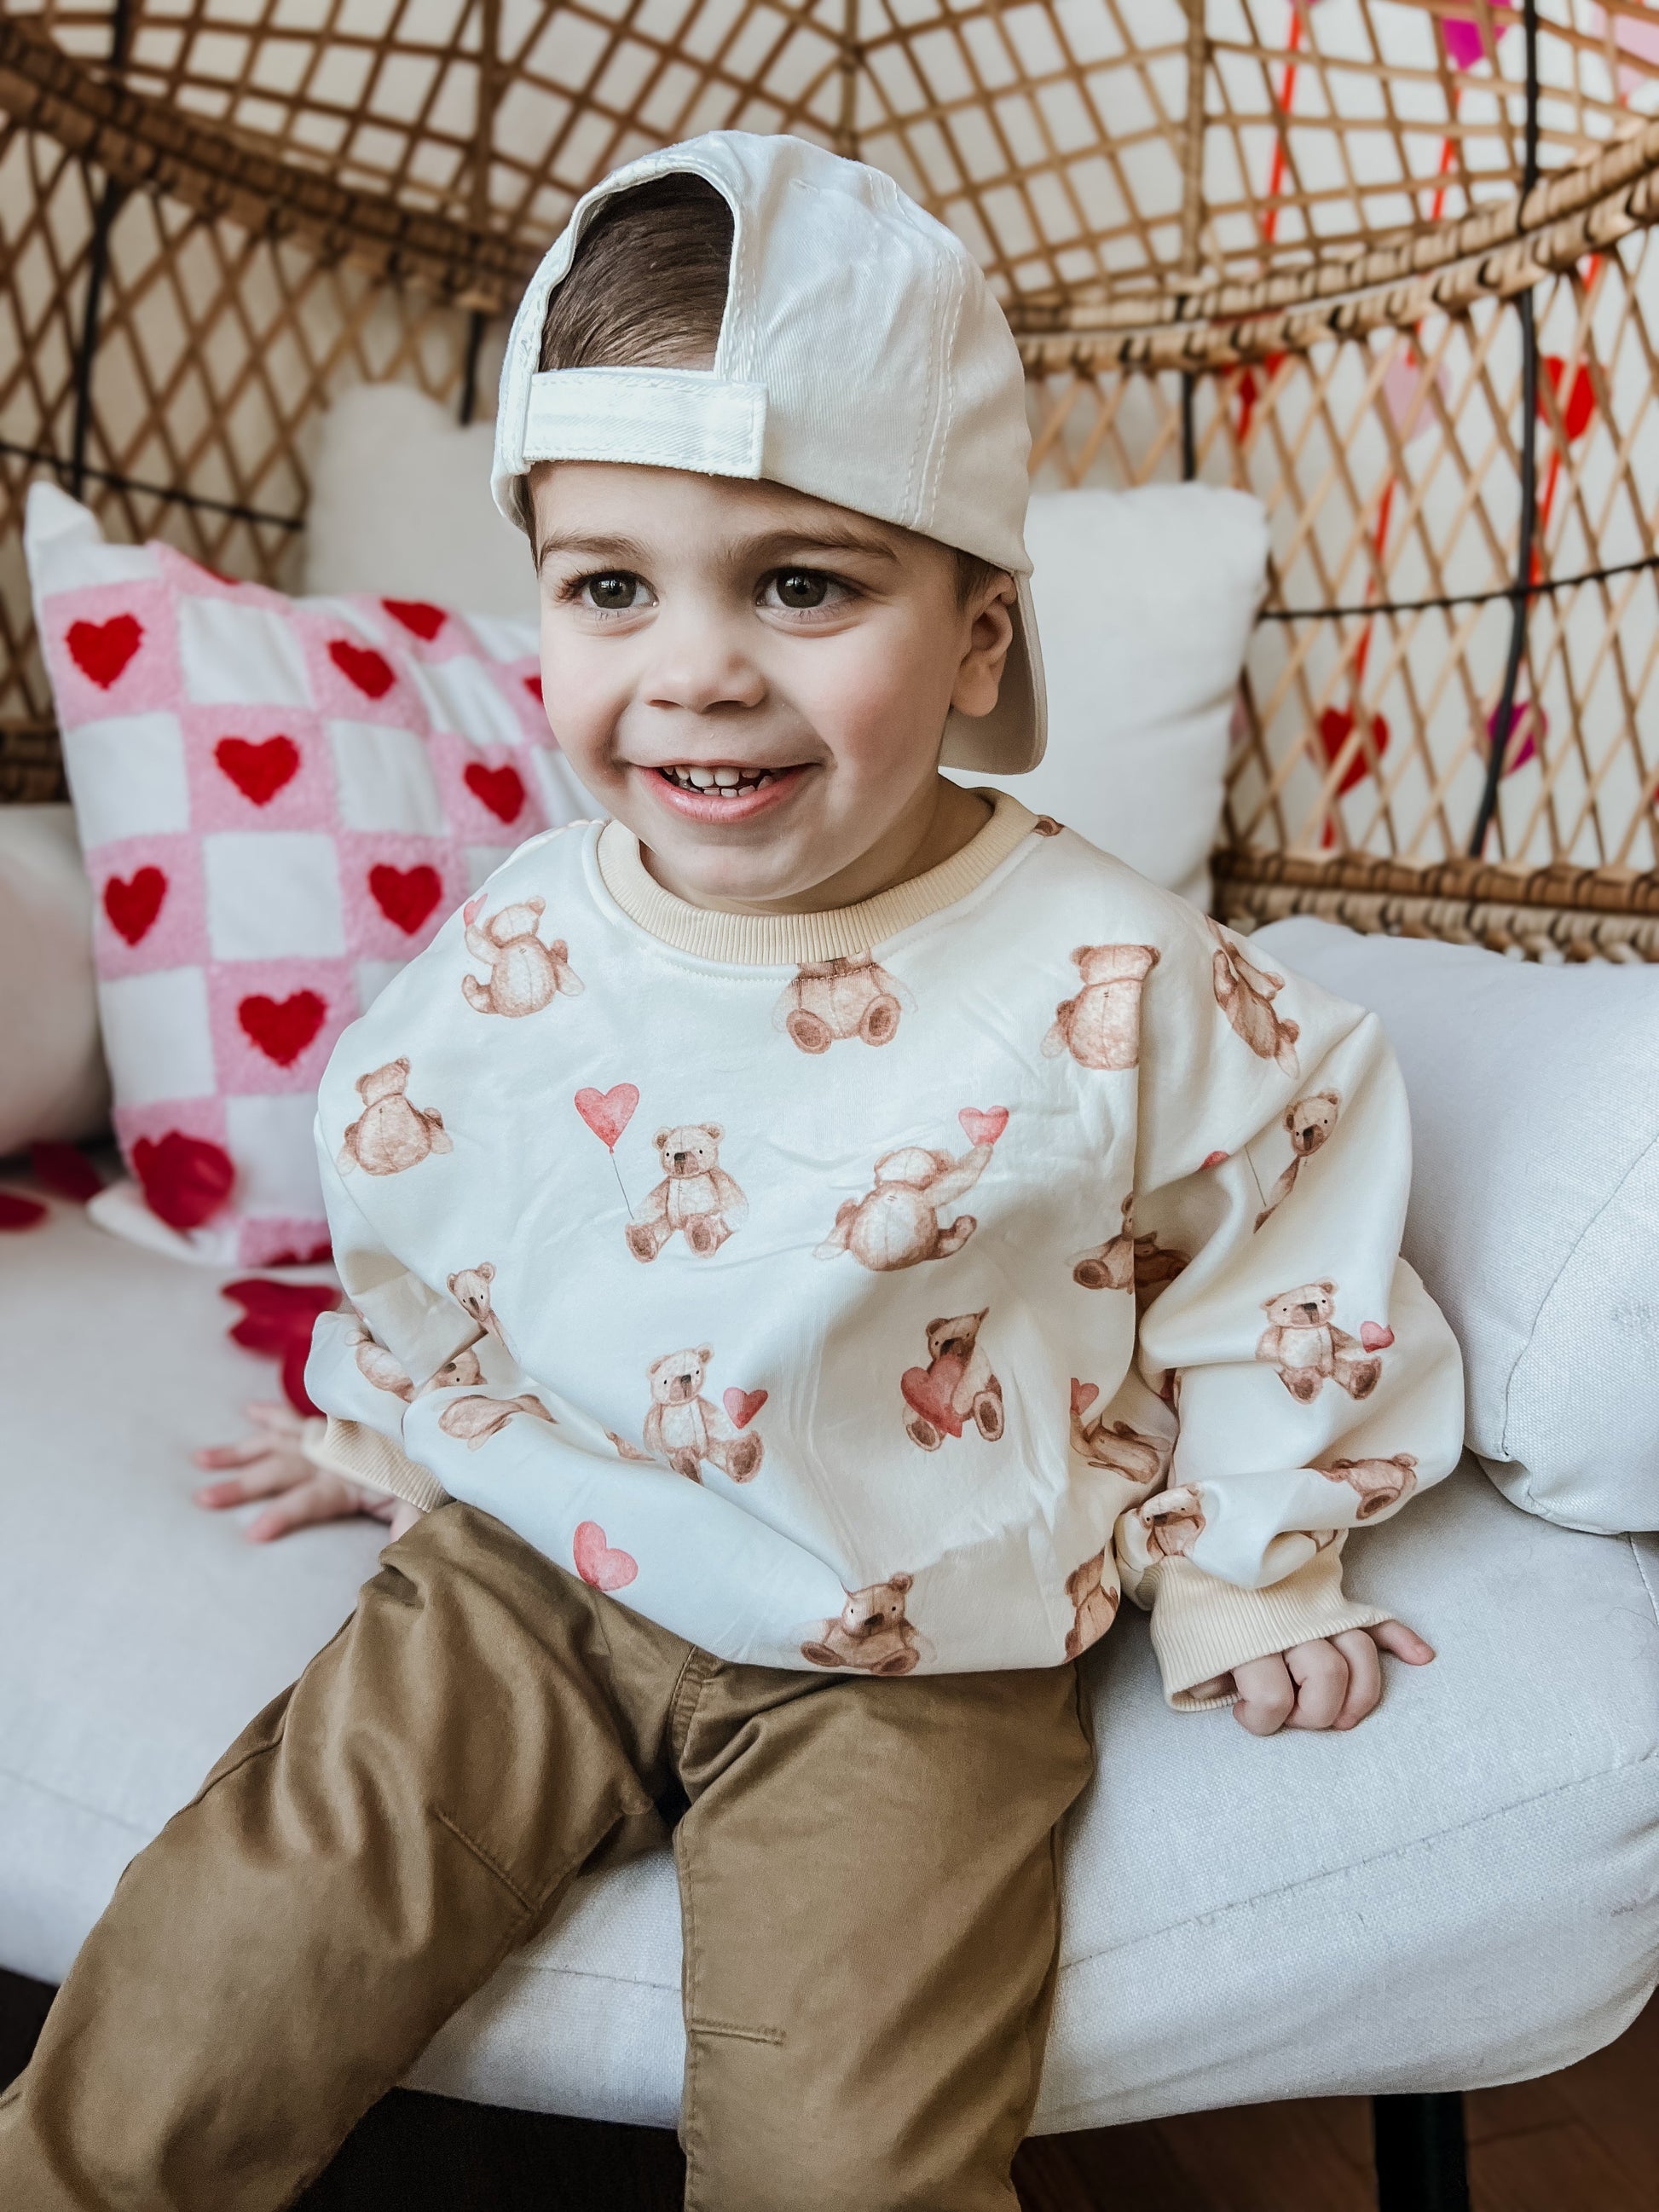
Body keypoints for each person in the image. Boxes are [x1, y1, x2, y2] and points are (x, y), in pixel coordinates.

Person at [0, 132, 1465, 2211]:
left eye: (800, 583)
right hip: (532, 1568)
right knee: (217, 1973)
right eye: (611, 587)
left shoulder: (1116, 975)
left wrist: (1250, 1558)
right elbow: (437, 1189)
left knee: (849, 2154)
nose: (693, 667)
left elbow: (1287, 1220)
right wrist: (399, 1419)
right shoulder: (533, 931)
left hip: (913, 1645)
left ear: (977, 634)